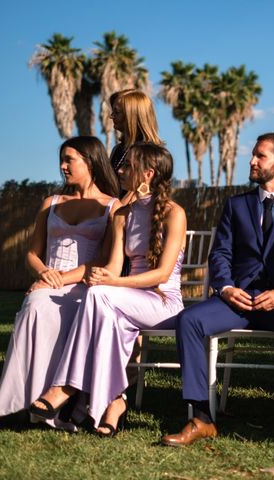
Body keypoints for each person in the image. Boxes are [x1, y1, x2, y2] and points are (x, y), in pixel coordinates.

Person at [161, 132, 274, 447]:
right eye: (253, 154)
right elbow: (220, 254)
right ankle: (201, 418)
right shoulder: (237, 206)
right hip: (235, 301)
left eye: (260, 156)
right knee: (189, 320)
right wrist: (224, 288)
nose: (251, 161)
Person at [0, 136, 120, 435]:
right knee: (35, 306)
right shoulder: (51, 203)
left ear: (90, 161)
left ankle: (45, 403)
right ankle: (4, 406)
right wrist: (45, 274)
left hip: (84, 287)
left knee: (56, 308)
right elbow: (32, 253)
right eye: (61, 160)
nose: (62, 166)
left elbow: (101, 261)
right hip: (47, 282)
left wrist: (62, 278)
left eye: (69, 160)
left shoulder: (111, 207)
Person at [30, 142, 187, 436]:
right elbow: (114, 268)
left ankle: (66, 386)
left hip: (163, 303)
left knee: (99, 294)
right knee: (98, 297)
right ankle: (113, 404)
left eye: (128, 166)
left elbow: (161, 275)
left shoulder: (174, 213)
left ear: (148, 173)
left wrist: (110, 282)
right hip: (125, 300)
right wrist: (101, 276)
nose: (120, 170)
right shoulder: (122, 214)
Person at [109, 89, 161, 200]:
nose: (111, 116)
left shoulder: (149, 152)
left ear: (131, 115)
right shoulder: (118, 150)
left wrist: (119, 210)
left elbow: (146, 189)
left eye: (116, 112)